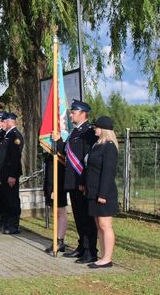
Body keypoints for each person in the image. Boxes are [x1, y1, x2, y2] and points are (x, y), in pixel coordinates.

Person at [52, 100, 98, 263]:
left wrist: (84, 182)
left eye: (73, 112)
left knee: (86, 218)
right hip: (72, 181)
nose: (70, 114)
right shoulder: (75, 132)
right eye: (71, 112)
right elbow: (65, 152)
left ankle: (90, 251)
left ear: (83, 113)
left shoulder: (89, 133)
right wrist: (57, 140)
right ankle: (81, 246)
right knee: (78, 217)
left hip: (81, 181)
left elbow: (88, 160)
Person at [85, 116, 119, 268]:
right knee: (99, 225)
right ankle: (102, 256)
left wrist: (102, 195)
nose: (94, 129)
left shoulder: (109, 146)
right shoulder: (98, 145)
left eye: (96, 127)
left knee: (105, 225)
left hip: (104, 193)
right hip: (93, 191)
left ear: (103, 129)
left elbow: (108, 173)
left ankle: (107, 258)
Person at [0, 113, 24, 234]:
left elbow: (15, 157)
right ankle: (7, 222)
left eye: (4, 121)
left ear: (10, 121)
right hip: (4, 173)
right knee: (6, 199)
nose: (2, 124)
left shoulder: (15, 135)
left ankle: (14, 225)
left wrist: (13, 175)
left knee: (12, 200)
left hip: (11, 173)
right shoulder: (7, 135)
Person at [43, 153, 68, 253]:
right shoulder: (50, 152)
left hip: (59, 183)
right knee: (55, 211)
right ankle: (56, 239)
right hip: (51, 184)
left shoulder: (60, 149)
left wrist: (54, 189)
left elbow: (59, 170)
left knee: (60, 210)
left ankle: (59, 240)